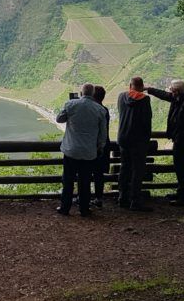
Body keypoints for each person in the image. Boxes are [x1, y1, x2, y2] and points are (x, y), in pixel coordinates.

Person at [55, 83, 108, 216]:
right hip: (89, 153)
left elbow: (59, 119)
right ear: (93, 93)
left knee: (68, 181)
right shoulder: (100, 110)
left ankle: (65, 208)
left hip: (71, 150)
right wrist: (99, 148)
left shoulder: (71, 104)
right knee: (85, 182)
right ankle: (84, 209)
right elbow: (103, 134)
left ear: (81, 92)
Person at [146, 79, 184, 206]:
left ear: (177, 91)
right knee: (180, 167)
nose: (170, 91)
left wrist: (179, 138)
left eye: (171, 89)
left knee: (181, 168)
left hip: (183, 143)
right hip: (180, 141)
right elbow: (164, 95)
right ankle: (181, 193)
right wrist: (149, 89)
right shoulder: (180, 98)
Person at [116, 77, 153, 211]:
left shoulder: (121, 96)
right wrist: (146, 139)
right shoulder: (145, 100)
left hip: (123, 138)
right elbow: (147, 121)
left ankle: (122, 197)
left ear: (130, 85)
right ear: (142, 86)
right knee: (137, 170)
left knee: (124, 168)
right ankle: (135, 200)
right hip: (138, 141)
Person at [90, 86, 112, 208]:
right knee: (99, 175)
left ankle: (84, 197)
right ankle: (98, 198)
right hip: (104, 146)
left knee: (87, 172)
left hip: (93, 145)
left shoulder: (94, 110)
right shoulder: (105, 110)